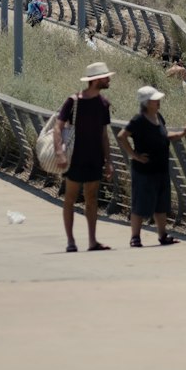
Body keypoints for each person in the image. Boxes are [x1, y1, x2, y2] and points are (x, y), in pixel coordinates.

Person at [118, 85, 186, 246]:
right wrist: (135, 156)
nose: (158, 102)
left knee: (161, 204)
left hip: (161, 167)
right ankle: (135, 237)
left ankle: (162, 235)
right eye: (155, 100)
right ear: (146, 102)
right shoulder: (138, 120)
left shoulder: (159, 117)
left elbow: (164, 135)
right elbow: (122, 136)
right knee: (140, 203)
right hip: (144, 170)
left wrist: (181, 133)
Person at [55, 62, 115, 252]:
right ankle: (71, 242)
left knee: (91, 198)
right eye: (106, 77)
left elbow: (104, 135)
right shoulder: (73, 101)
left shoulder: (104, 104)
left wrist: (108, 161)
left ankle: (92, 241)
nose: (109, 80)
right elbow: (58, 127)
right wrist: (59, 152)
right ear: (96, 80)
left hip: (94, 157)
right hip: (75, 157)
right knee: (70, 198)